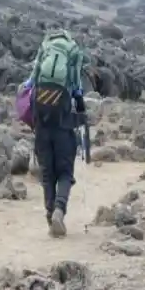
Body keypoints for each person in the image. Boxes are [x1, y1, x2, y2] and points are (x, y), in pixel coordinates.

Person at [27, 28, 87, 237]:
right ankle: (59, 210)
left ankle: (49, 212)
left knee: (47, 172)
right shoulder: (73, 51)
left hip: (41, 117)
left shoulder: (45, 47)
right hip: (62, 119)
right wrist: (79, 103)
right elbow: (77, 84)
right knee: (65, 171)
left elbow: (32, 78)